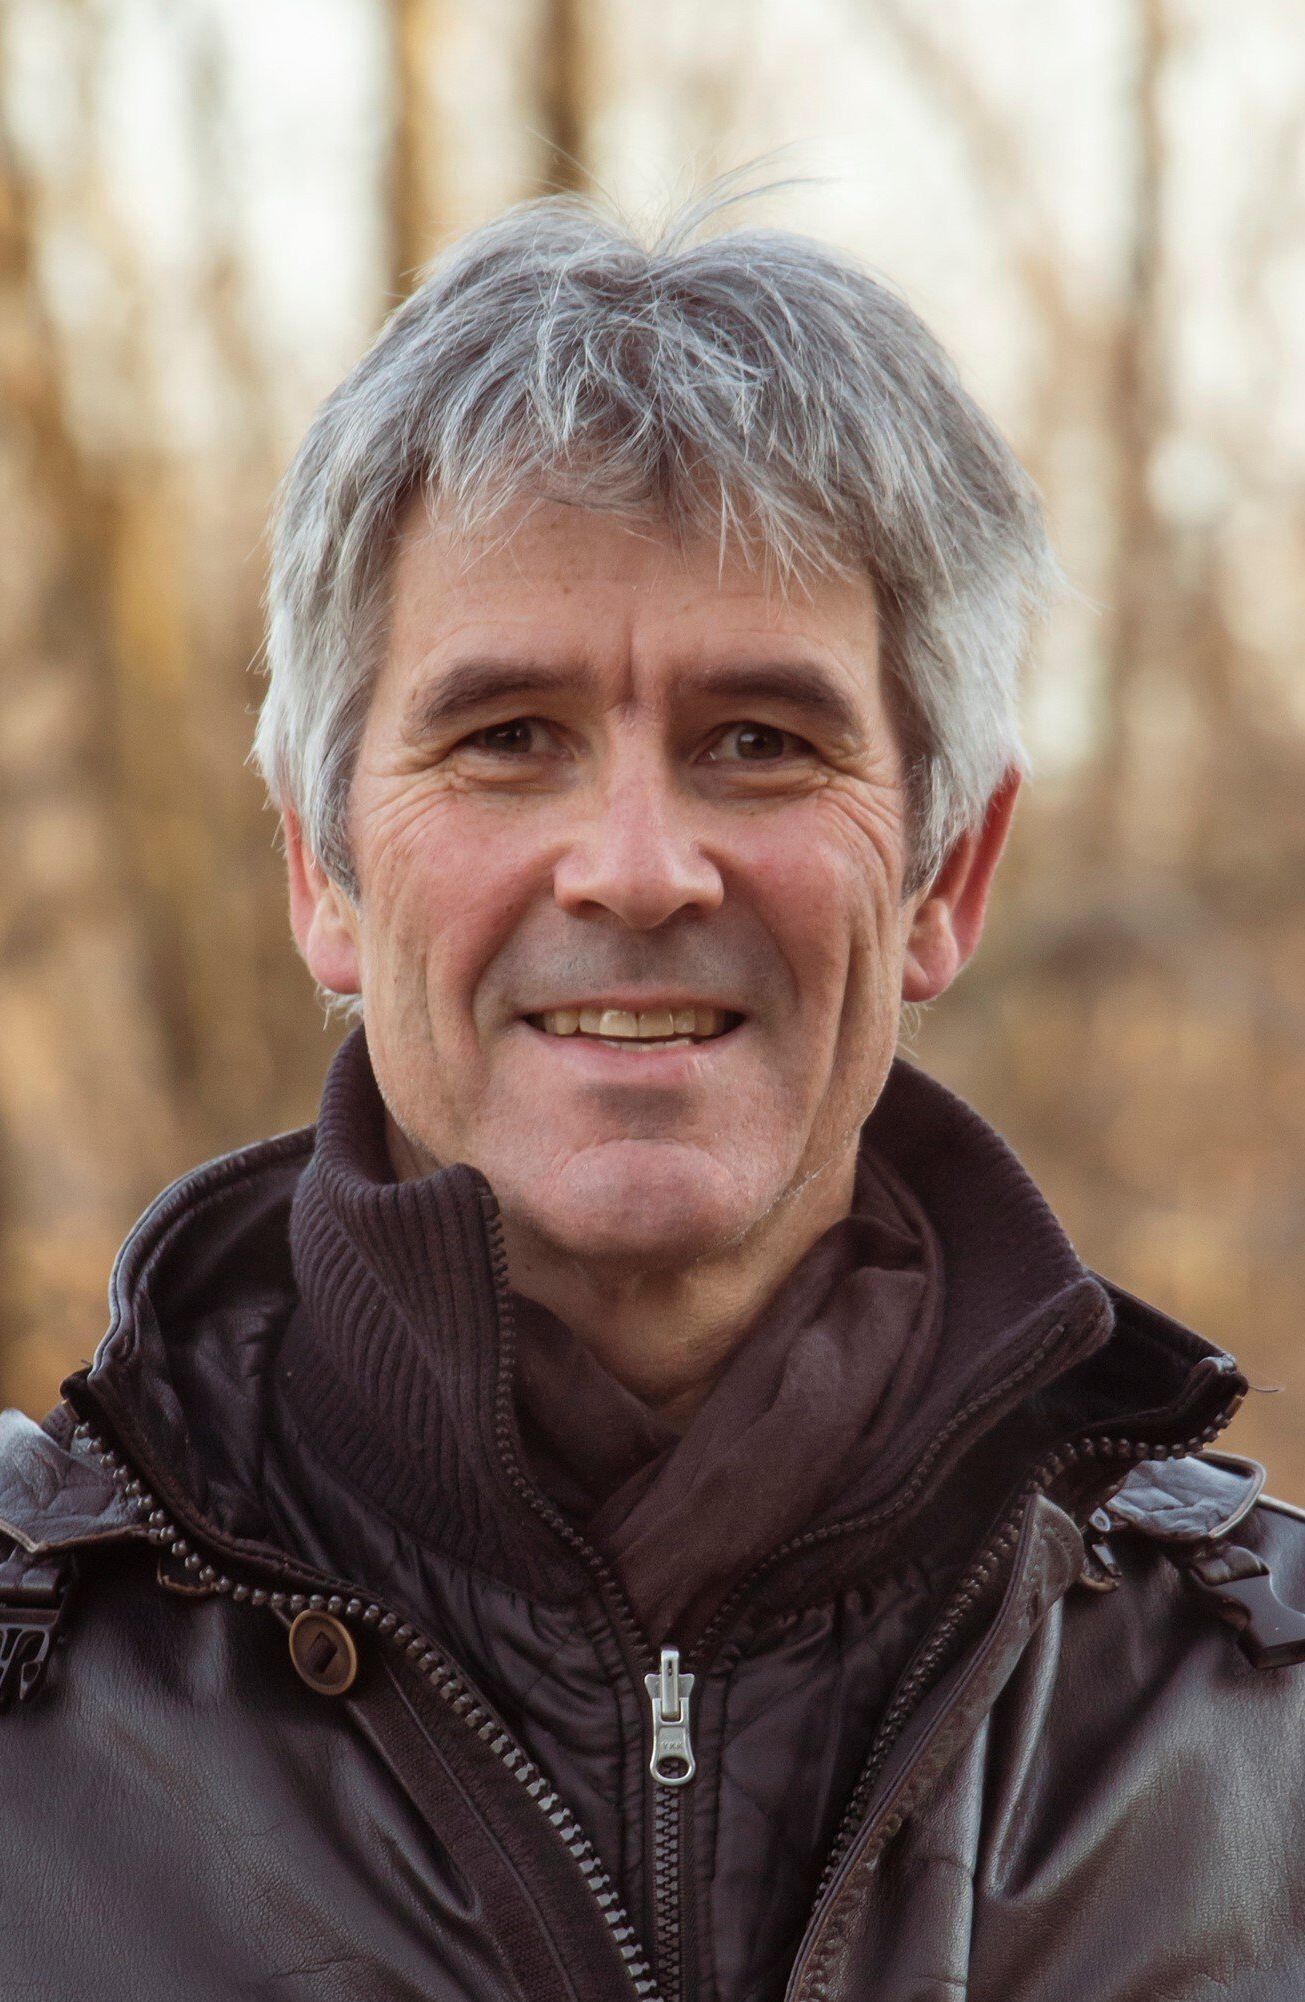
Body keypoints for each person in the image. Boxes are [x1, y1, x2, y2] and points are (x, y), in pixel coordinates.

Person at [1, 188, 1302, 2002]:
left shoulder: (1259, 1732)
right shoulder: (24, 1707)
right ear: (321, 869)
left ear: (944, 875)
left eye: (758, 742)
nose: (633, 868)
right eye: (506, 736)